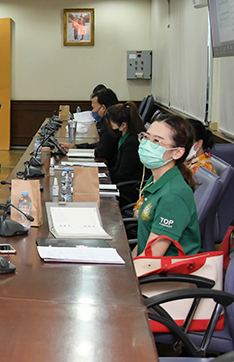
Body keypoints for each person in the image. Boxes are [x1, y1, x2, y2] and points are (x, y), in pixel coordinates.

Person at [132, 115, 200, 258]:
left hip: (163, 270)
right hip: (147, 263)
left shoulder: (173, 195)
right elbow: (145, 241)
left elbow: (151, 259)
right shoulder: (156, 179)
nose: (147, 144)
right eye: (146, 137)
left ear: (177, 152)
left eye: (157, 141)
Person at [60, 87, 120, 162]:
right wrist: (76, 147)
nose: (93, 111)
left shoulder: (110, 122)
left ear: (103, 108)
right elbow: (102, 145)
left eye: (94, 108)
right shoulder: (114, 118)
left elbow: (102, 152)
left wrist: (77, 152)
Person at [104, 102, 145, 207]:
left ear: (123, 125)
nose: (110, 125)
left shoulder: (132, 143)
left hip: (128, 189)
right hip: (122, 183)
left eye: (112, 122)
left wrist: (104, 181)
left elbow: (123, 174)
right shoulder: (124, 137)